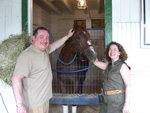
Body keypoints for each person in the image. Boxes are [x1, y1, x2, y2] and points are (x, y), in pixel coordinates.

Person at [11, 27, 74, 113]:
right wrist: (19, 105)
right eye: (41, 37)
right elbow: (16, 78)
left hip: (44, 101)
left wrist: (68, 36)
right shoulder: (27, 56)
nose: (45, 40)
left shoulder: (43, 50)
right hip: (34, 105)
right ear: (34, 38)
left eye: (47, 37)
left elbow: (55, 45)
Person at [93, 41, 131, 113]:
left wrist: (126, 104)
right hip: (106, 99)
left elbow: (128, 85)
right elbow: (96, 62)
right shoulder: (108, 66)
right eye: (110, 49)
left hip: (117, 101)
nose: (112, 51)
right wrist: (89, 49)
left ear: (119, 52)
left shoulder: (123, 66)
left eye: (114, 49)